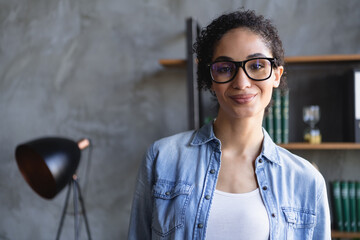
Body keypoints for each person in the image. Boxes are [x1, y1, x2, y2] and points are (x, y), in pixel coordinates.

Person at [128, 9, 331, 240]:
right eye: (225, 69)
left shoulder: (306, 180)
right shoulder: (161, 158)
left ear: (276, 75)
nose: (242, 82)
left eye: (256, 66)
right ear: (210, 79)